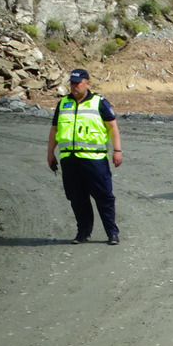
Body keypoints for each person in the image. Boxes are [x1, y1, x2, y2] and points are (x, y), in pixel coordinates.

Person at [47, 68, 123, 244]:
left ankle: (112, 233)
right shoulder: (63, 103)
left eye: (77, 83)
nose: (74, 86)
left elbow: (112, 127)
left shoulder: (99, 102)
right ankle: (83, 233)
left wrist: (117, 150)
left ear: (87, 83)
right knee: (77, 198)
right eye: (72, 83)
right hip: (69, 160)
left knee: (104, 197)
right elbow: (55, 130)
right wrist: (50, 152)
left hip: (94, 159)